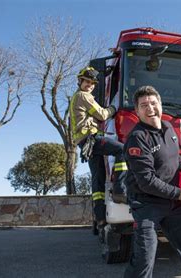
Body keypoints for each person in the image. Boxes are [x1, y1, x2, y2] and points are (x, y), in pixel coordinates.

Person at [124, 85, 181, 278]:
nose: (150, 108)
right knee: (144, 256)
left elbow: (176, 159)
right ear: (137, 111)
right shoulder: (137, 138)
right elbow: (146, 181)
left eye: (153, 103)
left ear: (160, 105)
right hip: (147, 204)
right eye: (144, 105)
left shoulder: (169, 128)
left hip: (174, 204)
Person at [69, 66, 127, 228]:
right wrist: (115, 108)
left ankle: (99, 217)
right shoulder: (83, 96)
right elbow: (102, 114)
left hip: (85, 142)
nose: (90, 85)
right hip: (91, 139)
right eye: (87, 81)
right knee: (121, 149)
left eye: (93, 83)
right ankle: (120, 190)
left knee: (98, 179)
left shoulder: (77, 97)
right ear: (80, 81)